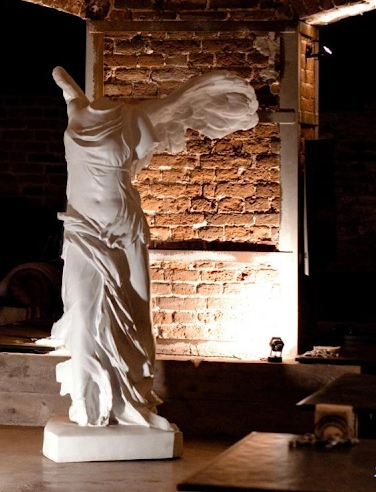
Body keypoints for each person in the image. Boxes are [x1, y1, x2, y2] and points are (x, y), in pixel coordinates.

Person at [49, 66, 259, 429]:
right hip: (83, 228)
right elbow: (65, 84)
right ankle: (87, 401)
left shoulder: (133, 118)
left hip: (123, 227)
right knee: (83, 310)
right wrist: (71, 92)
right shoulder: (77, 110)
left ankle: (132, 397)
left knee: (133, 312)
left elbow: (144, 147)